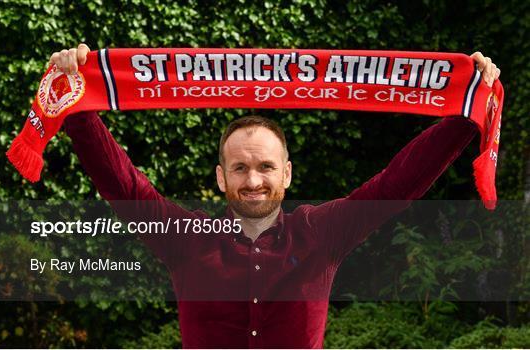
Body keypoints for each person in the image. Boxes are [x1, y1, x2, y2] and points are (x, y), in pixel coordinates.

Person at [53, 43, 500, 348]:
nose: (253, 181)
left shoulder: (321, 232)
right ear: (220, 177)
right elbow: (123, 186)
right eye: (240, 168)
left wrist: (465, 115)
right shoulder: (185, 238)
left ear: (285, 174)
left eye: (266, 167)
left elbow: (395, 185)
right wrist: (78, 103)